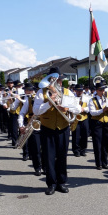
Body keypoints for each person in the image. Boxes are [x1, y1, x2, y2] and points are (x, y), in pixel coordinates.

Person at [33, 67, 81, 195]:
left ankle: (61, 182)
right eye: (55, 80)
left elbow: (78, 108)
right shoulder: (41, 92)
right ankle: (51, 184)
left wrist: (68, 109)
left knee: (62, 156)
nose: (58, 82)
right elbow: (36, 111)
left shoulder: (68, 92)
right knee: (48, 157)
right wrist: (49, 103)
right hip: (47, 128)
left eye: (59, 79)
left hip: (63, 128)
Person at [18, 83, 42, 175]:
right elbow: (22, 113)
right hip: (34, 125)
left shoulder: (46, 99)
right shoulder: (29, 100)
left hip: (46, 125)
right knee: (35, 148)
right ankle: (37, 167)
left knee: (45, 148)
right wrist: (21, 125)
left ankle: (45, 167)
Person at [88, 81, 108, 170]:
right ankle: (98, 163)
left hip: (107, 122)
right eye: (100, 90)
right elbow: (92, 113)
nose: (102, 91)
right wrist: (103, 110)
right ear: (96, 90)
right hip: (97, 123)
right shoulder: (92, 100)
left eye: (103, 90)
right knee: (97, 144)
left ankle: (104, 162)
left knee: (106, 143)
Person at [71, 84, 89, 157]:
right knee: (75, 135)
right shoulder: (72, 98)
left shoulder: (87, 98)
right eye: (78, 91)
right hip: (75, 118)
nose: (79, 92)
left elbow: (90, 108)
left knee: (85, 134)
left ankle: (83, 149)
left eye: (81, 90)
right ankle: (76, 150)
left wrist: (84, 109)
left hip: (84, 117)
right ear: (75, 90)